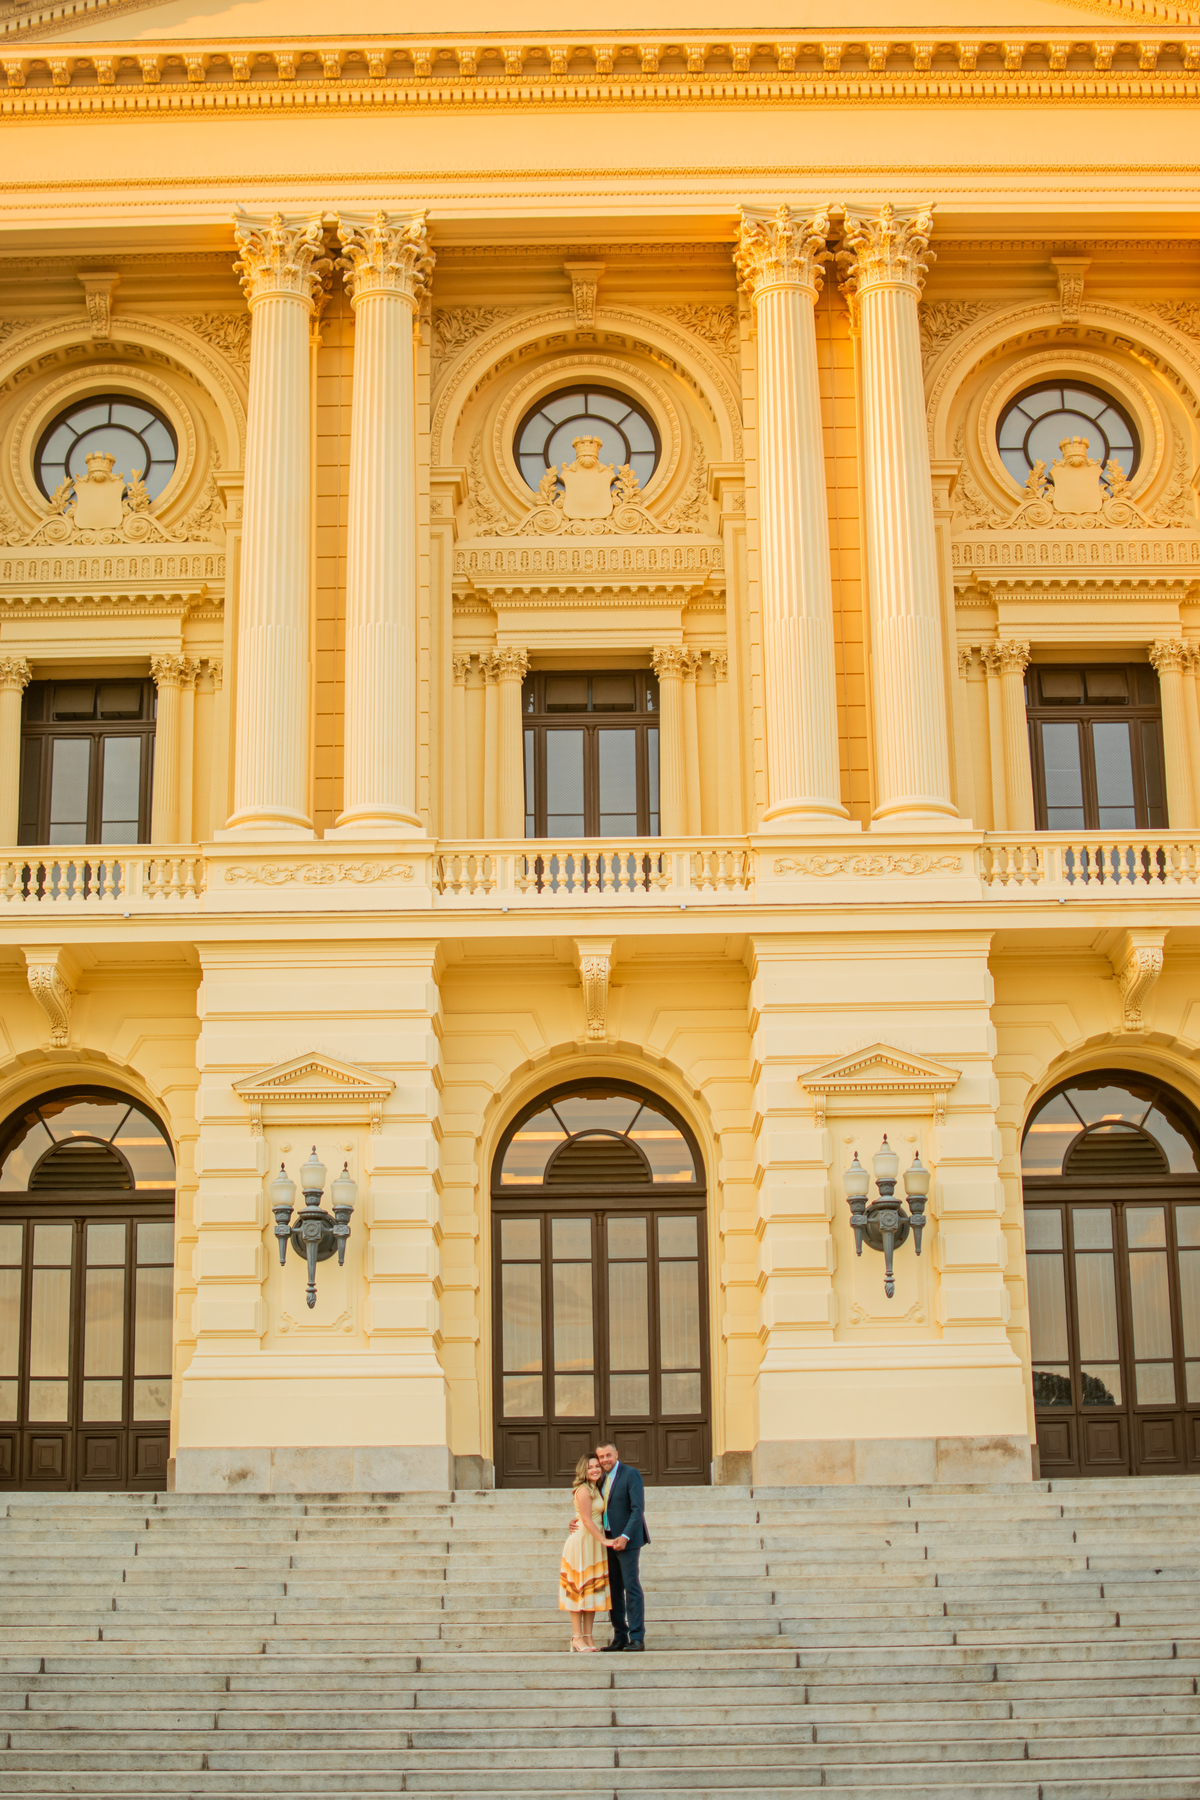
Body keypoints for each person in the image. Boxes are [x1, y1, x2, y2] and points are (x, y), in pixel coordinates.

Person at [596, 1440, 649, 1652]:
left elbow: (637, 1509)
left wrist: (625, 1536)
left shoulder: (630, 1474)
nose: (605, 1460)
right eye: (601, 1457)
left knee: (631, 1587)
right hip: (607, 1540)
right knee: (614, 1590)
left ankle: (637, 1638)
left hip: (627, 1540)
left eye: (608, 1455)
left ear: (616, 1454)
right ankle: (620, 1637)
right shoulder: (599, 1478)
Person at [558, 1452, 612, 1651]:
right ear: (583, 1470)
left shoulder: (596, 1488)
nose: (595, 1469)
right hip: (582, 1543)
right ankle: (576, 1637)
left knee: (591, 1590)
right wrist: (604, 1540)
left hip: (593, 1542)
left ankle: (588, 1636)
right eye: (590, 1467)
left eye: (597, 1466)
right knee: (578, 1589)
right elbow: (587, 1520)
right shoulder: (583, 1490)